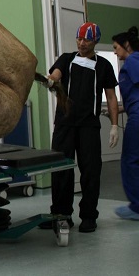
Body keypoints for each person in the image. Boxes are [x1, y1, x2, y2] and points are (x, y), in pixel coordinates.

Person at [39, 21, 119, 233]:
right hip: (65, 124)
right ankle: (61, 214)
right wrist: (51, 80)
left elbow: (111, 97)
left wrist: (113, 125)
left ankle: (89, 216)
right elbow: (56, 74)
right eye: (79, 39)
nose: (82, 43)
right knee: (61, 170)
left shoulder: (103, 66)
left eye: (87, 40)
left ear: (95, 41)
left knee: (90, 171)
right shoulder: (67, 59)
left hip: (89, 126)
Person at [112, 26, 139, 221]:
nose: (115, 51)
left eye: (116, 47)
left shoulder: (134, 60)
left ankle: (136, 207)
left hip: (138, 118)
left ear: (126, 45)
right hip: (135, 112)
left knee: (130, 160)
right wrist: (118, 109)